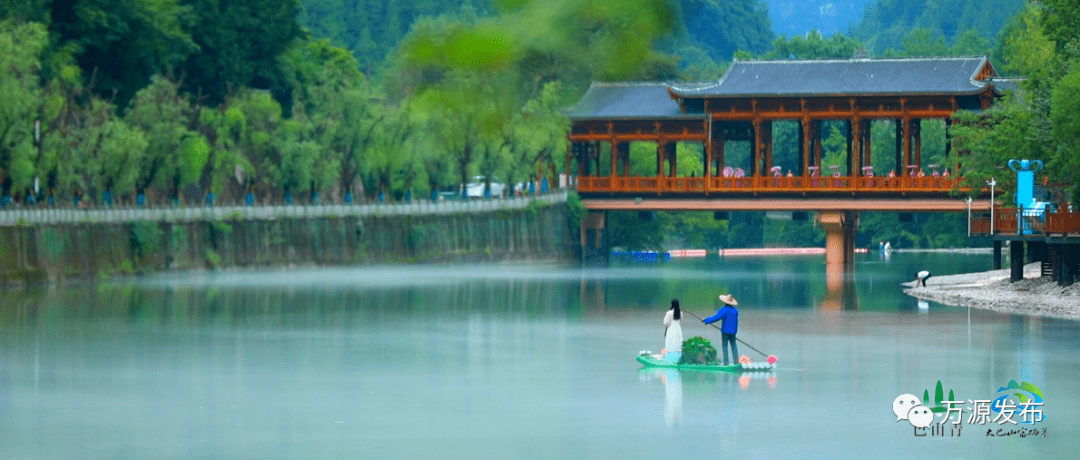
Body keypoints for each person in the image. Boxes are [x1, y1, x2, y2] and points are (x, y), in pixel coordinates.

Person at [703, 294, 739, 365]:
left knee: (725, 347)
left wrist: (705, 320)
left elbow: (715, 318)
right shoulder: (735, 311)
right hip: (733, 332)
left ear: (725, 302)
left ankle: (726, 363)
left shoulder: (723, 310)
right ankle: (736, 362)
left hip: (725, 332)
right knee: (734, 346)